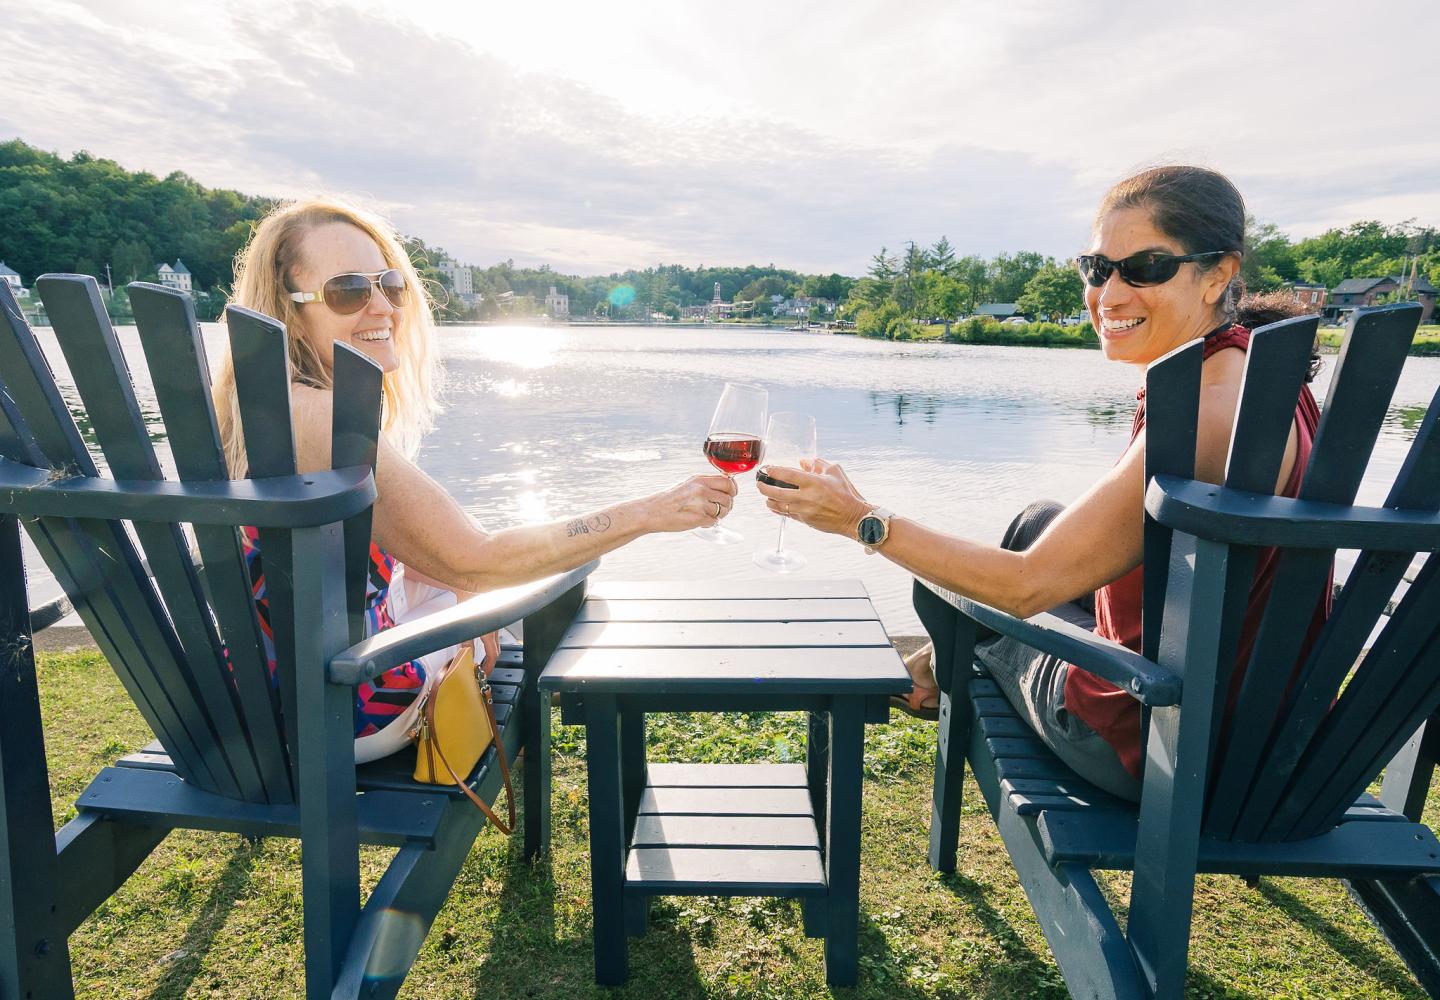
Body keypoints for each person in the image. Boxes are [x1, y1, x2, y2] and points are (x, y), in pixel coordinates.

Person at [757, 165, 1328, 801]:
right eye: (1097, 268)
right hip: (1228, 704)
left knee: (958, 608)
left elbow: (1026, 588)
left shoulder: (1207, 416)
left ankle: (929, 670)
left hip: (1160, 738)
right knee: (1037, 520)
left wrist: (860, 519)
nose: (1109, 293)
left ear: (1218, 273)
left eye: (1145, 267)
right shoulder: (1244, 368)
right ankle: (927, 665)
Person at [215, 197, 737, 763]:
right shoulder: (322, 417)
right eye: (347, 291)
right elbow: (477, 558)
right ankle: (603, 761)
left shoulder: (260, 406)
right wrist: (652, 513)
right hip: (347, 707)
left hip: (259, 688)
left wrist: (457, 577)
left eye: (389, 284)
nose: (382, 307)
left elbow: (394, 553)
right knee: (531, 589)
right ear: (291, 312)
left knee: (472, 584)